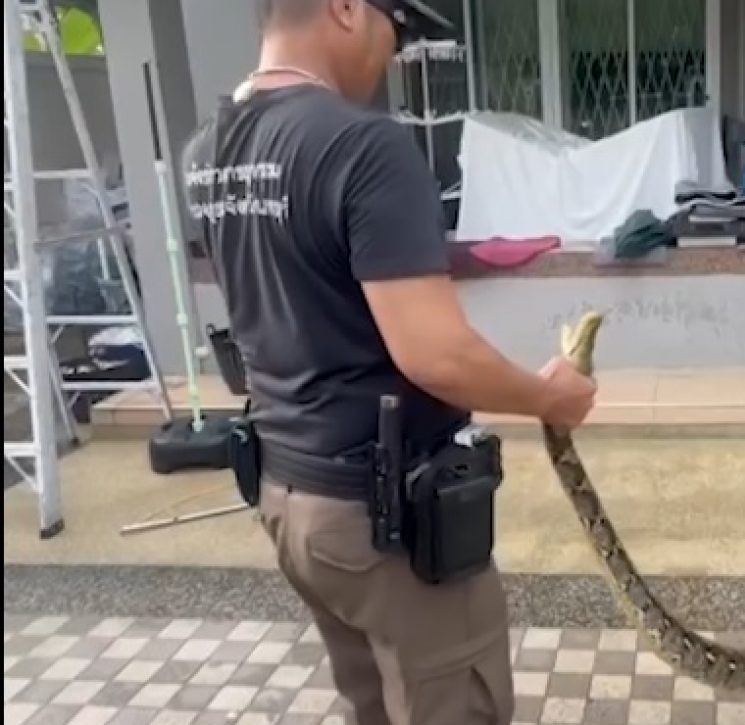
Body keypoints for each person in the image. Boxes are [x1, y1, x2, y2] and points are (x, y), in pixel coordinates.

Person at [179, 1, 597, 723]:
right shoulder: (362, 145)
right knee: (452, 702)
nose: (395, 51)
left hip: (290, 499)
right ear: (345, 7)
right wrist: (547, 396)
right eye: (394, 28)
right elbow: (436, 353)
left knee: (372, 702)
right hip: (384, 525)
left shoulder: (206, 153)